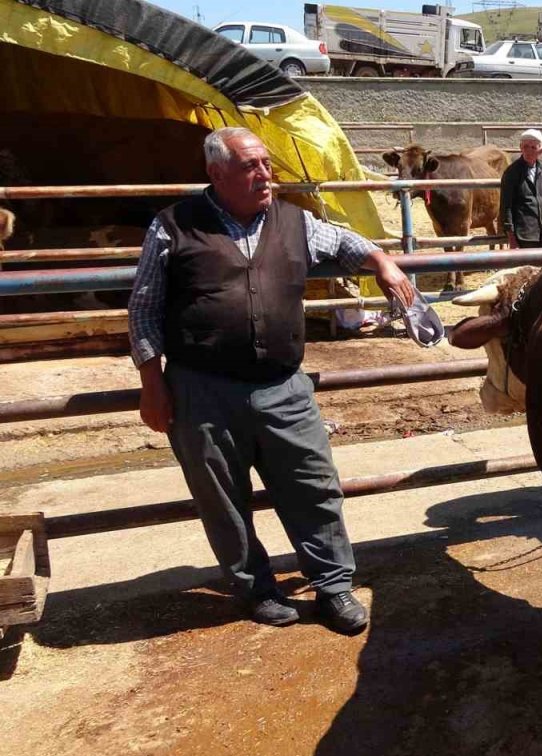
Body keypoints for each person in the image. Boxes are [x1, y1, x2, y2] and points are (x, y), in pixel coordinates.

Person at [127, 127, 417, 633]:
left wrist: (382, 262)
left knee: (313, 486)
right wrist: (153, 384)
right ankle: (255, 588)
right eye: (251, 166)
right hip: (202, 388)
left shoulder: (294, 221)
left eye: (266, 163)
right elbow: (144, 309)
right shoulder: (173, 225)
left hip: (284, 386)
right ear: (216, 173)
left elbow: (346, 242)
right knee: (222, 498)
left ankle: (333, 587)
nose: (266, 175)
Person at [499, 128, 542, 249]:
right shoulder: (512, 173)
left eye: (533, 147)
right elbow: (506, 206)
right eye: (526, 146)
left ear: (541, 150)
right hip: (525, 235)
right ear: (520, 147)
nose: (529, 151)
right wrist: (511, 237)